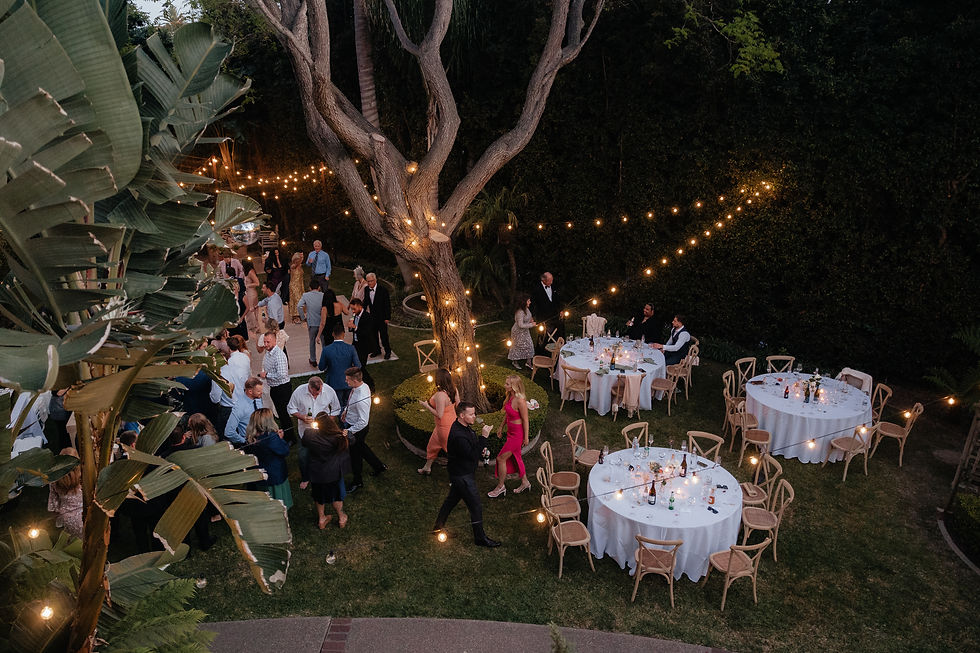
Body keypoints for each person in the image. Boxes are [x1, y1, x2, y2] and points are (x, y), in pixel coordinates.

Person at [432, 402, 500, 548]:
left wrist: (481, 449)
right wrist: (484, 438)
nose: (474, 416)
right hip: (462, 476)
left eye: (474, 413)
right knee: (476, 506)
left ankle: (438, 527)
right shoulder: (458, 435)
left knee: (451, 501)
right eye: (471, 414)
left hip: (461, 473)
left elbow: (472, 449)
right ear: (462, 415)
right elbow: (471, 455)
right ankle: (480, 538)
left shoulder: (464, 426)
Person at [287, 376, 341, 489]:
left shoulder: (329, 391)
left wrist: (328, 422)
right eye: (315, 393)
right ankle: (305, 477)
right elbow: (291, 408)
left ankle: (325, 474)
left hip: (324, 430)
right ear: (309, 387)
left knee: (324, 454)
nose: (317, 394)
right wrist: (302, 417)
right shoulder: (299, 392)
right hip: (305, 431)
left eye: (319, 392)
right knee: (303, 456)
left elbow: (336, 409)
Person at [303, 413, 351, 529]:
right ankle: (341, 518)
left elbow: (304, 443)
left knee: (319, 496)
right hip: (333, 473)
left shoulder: (309, 434)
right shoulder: (338, 437)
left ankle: (322, 519)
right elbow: (352, 441)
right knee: (336, 496)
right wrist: (348, 434)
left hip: (317, 473)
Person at [487, 375, 532, 497]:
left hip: (517, 435)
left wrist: (526, 437)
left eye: (507, 384)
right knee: (516, 457)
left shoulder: (520, 401)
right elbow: (508, 414)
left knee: (501, 458)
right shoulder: (510, 396)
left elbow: (525, 420)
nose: (505, 385)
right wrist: (501, 427)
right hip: (510, 432)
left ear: (514, 386)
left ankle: (500, 487)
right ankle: (525, 482)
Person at [342, 366, 385, 492]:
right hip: (352, 422)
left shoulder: (361, 399)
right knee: (362, 448)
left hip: (357, 429)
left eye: (347, 380)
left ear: (355, 381)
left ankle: (357, 482)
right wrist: (346, 410)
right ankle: (379, 466)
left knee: (355, 455)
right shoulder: (362, 385)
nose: (345, 381)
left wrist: (350, 431)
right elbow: (351, 401)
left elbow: (363, 421)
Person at [243, 408, 293, 510]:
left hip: (259, 475)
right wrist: (280, 439)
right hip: (274, 475)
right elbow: (284, 451)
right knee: (278, 505)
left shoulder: (250, 437)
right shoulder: (271, 437)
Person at [417, 368, 459, 475]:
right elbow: (458, 405)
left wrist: (426, 406)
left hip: (444, 427)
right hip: (449, 423)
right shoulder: (453, 389)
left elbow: (440, 415)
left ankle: (458, 476)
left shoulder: (440, 395)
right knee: (432, 446)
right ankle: (427, 468)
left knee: (452, 452)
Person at [258, 332, 293, 441]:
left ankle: (291, 438)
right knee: (281, 414)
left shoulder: (279, 355)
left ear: (275, 341)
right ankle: (286, 434)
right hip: (274, 388)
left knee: (284, 415)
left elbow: (282, 374)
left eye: (268, 342)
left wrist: (267, 375)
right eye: (264, 342)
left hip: (282, 389)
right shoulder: (269, 353)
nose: (265, 344)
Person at [319, 322, 361, 403]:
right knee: (349, 405)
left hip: (334, 383)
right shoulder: (351, 348)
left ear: (333, 334)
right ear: (343, 334)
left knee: (337, 406)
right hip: (349, 382)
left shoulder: (326, 350)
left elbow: (321, 367)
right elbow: (358, 366)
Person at [47, 447, 83, 538]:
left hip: (67, 518)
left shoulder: (54, 480)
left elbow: (54, 504)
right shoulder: (83, 477)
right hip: (84, 514)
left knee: (74, 541)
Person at [346, 298, 376, 391]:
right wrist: (351, 327)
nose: (353, 311)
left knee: (361, 366)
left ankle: (370, 383)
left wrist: (355, 327)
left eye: (354, 309)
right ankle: (360, 382)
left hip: (364, 346)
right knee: (356, 365)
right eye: (352, 309)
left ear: (360, 306)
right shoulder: (355, 315)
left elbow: (366, 332)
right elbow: (353, 329)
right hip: (355, 344)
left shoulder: (367, 317)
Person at [529, 271, 564, 352]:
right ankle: (542, 350)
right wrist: (532, 316)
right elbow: (532, 303)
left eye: (552, 280)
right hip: (543, 316)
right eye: (549, 281)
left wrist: (561, 310)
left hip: (555, 314)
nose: (551, 282)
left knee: (558, 330)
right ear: (543, 280)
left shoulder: (553, 286)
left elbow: (558, 299)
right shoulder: (537, 289)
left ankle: (558, 348)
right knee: (543, 333)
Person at [225, 377, 265, 446]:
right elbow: (229, 432)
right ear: (250, 391)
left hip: (263, 437)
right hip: (251, 442)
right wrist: (245, 441)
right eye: (259, 391)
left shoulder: (257, 398)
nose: (261, 393)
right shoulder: (239, 408)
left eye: (261, 390)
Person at [363, 272, 392, 359]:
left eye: (371, 281)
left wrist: (387, 317)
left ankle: (388, 351)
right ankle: (377, 350)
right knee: (373, 335)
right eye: (368, 281)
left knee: (384, 336)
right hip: (372, 317)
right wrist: (361, 312)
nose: (369, 283)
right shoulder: (366, 289)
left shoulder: (383, 290)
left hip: (382, 317)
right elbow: (366, 301)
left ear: (375, 280)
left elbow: (387, 305)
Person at [297, 279, 324, 366]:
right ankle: (325, 360)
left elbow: (299, 306)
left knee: (312, 341)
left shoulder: (305, 295)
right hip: (322, 322)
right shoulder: (323, 295)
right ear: (319, 287)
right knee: (324, 342)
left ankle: (313, 359)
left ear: (310, 288)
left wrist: (303, 317)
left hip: (311, 322)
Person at [316, 281, 346, 355]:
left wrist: (318, 335)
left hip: (329, 332)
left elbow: (323, 323)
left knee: (331, 350)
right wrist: (340, 303)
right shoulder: (339, 305)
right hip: (339, 329)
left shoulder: (324, 309)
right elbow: (347, 312)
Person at [508, 293, 535, 370]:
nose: (530, 302)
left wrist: (531, 320)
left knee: (529, 345)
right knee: (516, 346)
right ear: (524, 302)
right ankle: (514, 362)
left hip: (525, 331)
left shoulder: (526, 309)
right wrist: (531, 325)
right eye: (528, 301)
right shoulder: (520, 312)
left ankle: (528, 363)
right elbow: (520, 325)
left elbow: (528, 316)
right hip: (518, 332)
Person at [243, 259, 261, 333]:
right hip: (247, 292)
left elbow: (257, 283)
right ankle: (252, 326)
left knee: (252, 310)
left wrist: (247, 285)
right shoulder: (246, 272)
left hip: (251, 292)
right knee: (250, 310)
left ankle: (255, 327)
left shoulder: (251, 272)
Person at [288, 251, 305, 323]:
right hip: (294, 285)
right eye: (298, 259)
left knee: (301, 300)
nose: (300, 260)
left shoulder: (300, 266)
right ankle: (295, 316)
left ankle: (299, 315)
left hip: (300, 285)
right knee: (296, 300)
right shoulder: (293, 266)